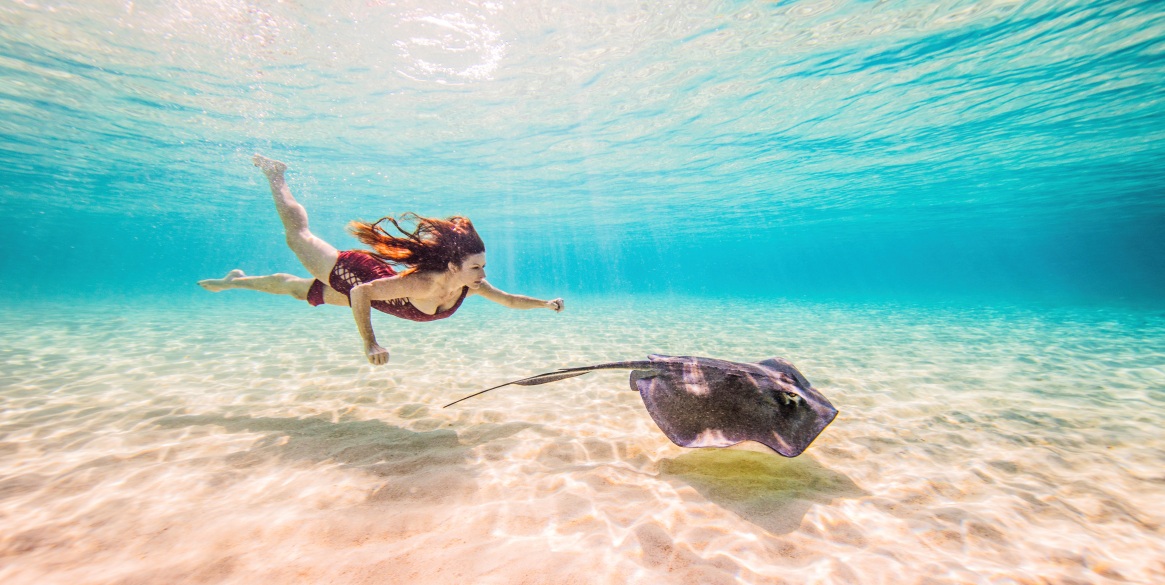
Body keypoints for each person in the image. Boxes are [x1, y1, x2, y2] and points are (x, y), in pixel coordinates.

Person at [199, 155, 564, 365]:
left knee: (296, 290)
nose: (483, 273)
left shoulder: (471, 285)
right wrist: (370, 343)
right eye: (475, 266)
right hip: (354, 275)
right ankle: (276, 176)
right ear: (453, 267)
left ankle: (235, 280)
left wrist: (545, 304)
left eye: (483, 265)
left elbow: (510, 300)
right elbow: (360, 293)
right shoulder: (422, 283)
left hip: (379, 292)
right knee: (299, 238)